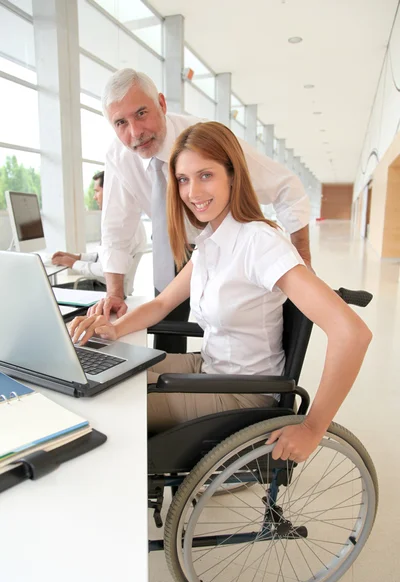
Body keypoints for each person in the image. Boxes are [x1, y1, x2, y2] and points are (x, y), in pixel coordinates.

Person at [69, 122, 372, 463]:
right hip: (211, 367)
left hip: (241, 393)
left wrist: (312, 428)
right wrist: (114, 329)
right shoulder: (211, 240)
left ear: (232, 174)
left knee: (108, 397)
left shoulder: (259, 243)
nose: (193, 192)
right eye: (183, 179)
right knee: (106, 365)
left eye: (205, 175)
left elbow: (352, 334)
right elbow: (163, 303)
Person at [90, 67, 312, 354]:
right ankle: (179, 379)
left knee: (238, 324)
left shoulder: (204, 139)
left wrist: (303, 262)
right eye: (120, 122)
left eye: (141, 113)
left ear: (161, 103)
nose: (135, 132)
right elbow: (115, 230)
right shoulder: (119, 156)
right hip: (176, 245)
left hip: (226, 244)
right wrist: (115, 294)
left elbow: (286, 189)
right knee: (165, 326)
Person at [52, 171, 147, 295]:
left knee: (50, 293)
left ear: (109, 191)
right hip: (104, 285)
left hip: (109, 290)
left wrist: (72, 263)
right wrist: (77, 257)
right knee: (52, 291)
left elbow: (107, 269)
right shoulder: (123, 220)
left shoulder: (123, 225)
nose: (94, 196)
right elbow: (105, 256)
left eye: (97, 191)